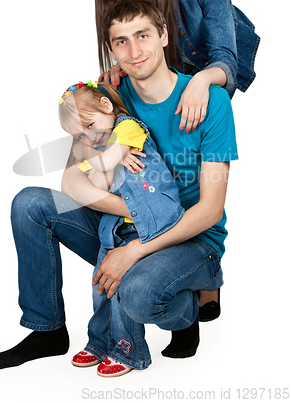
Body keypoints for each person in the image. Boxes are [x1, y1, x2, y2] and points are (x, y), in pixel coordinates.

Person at [0, 0, 237, 371]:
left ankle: (188, 305)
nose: (134, 51)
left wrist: (134, 251)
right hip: (121, 225)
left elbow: (210, 209)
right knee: (30, 204)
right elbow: (72, 180)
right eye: (121, 41)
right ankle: (47, 329)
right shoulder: (105, 102)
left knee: (137, 292)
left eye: (143, 35)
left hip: (191, 237)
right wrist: (130, 215)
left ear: (164, 35)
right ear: (111, 50)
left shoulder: (209, 100)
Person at [86, 0, 258, 317]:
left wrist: (203, 81)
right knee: (156, 162)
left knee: (197, 167)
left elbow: (225, 57)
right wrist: (117, 78)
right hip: (154, 79)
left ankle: (204, 271)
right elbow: (127, 36)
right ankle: (172, 254)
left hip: (206, 71)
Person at [58, 80, 184, 376]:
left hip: (152, 220)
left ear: (106, 106)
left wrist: (96, 158)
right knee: (100, 285)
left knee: (120, 287)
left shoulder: (127, 126)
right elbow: (98, 185)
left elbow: (108, 162)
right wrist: (101, 158)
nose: (87, 136)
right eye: (79, 134)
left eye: (90, 125)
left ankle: (129, 350)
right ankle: (99, 342)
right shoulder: (102, 145)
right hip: (117, 226)